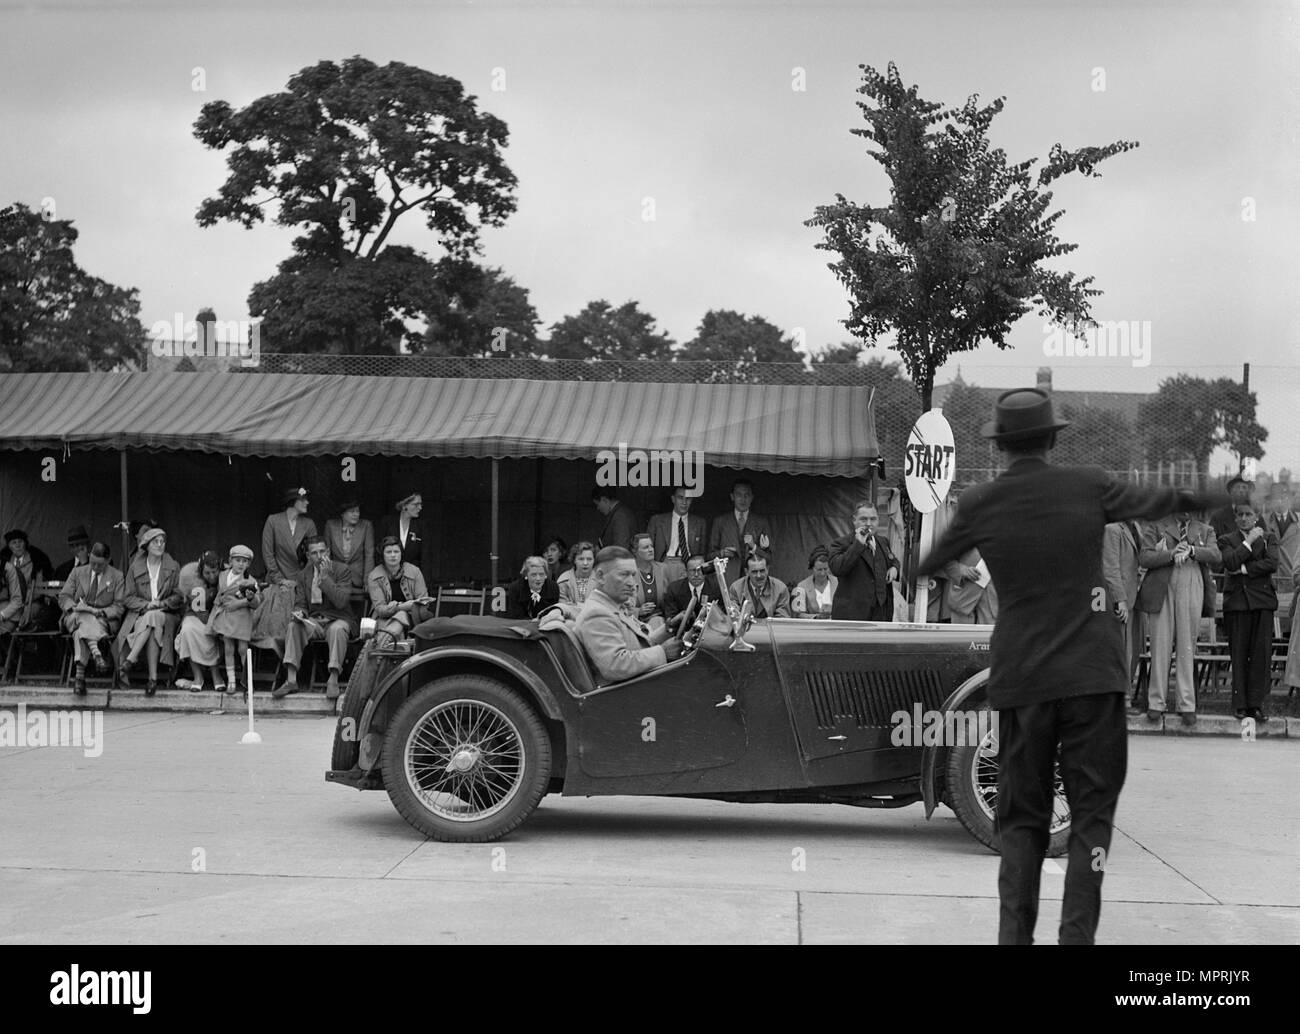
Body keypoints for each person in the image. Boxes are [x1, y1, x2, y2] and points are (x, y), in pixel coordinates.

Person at [916, 387, 1223, 946]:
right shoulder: (1088, 484)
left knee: (1023, 821)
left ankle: (1016, 940)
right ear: (1053, 438)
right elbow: (1157, 500)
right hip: (1092, 676)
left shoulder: (981, 502)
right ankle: (1075, 938)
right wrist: (1211, 493)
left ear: (1002, 443)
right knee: (1091, 819)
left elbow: (932, 562)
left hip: (1023, 679)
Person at [1137, 509, 1220, 725]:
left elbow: (1216, 555)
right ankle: (1156, 702)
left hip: (1192, 580)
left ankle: (1187, 704)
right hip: (1163, 583)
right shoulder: (1156, 526)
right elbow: (1144, 556)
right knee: (1160, 644)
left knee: (1187, 645)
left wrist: (1192, 550)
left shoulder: (1205, 529)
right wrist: (1171, 553)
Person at [575, 545, 683, 682]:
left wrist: (669, 628)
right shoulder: (597, 614)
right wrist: (663, 652)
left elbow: (638, 645)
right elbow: (615, 666)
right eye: (624, 574)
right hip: (621, 695)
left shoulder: (611, 607)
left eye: (633, 575)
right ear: (600, 576)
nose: (632, 584)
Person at [272, 535, 357, 701]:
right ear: (308, 556)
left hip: (339, 618)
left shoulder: (342, 570)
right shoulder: (304, 575)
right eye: (314, 553)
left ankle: (333, 678)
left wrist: (325, 579)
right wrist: (300, 613)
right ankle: (291, 680)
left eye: (322, 551)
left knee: (337, 630)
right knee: (293, 626)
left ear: (328, 551)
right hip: (316, 620)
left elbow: (341, 602)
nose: (319, 556)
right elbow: (301, 603)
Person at [1218, 503, 1279, 720]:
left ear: (1256, 516)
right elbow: (1230, 560)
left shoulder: (1270, 538)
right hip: (1237, 603)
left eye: (1248, 514)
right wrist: (1249, 540)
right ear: (1235, 519)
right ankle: (1240, 705)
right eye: (1240, 515)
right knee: (1240, 654)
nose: (1244, 518)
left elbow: (1272, 563)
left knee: (1260, 656)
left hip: (1262, 602)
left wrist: (1244, 570)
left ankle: (1256, 704)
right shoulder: (1226, 539)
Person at [116, 527, 184, 696]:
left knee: (153, 617)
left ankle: (131, 658)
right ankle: (152, 679)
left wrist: (161, 603)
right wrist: (146, 605)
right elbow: (128, 598)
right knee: (152, 624)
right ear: (146, 545)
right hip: (142, 615)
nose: (160, 545)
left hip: (167, 615)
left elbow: (178, 596)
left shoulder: (173, 566)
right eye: (156, 542)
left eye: (162, 541)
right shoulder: (135, 568)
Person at [58, 542, 125, 695]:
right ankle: (97, 653)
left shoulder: (117, 576)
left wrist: (98, 612)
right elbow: (64, 596)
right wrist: (74, 607)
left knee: (80, 631)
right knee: (82, 617)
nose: (94, 567)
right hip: (74, 615)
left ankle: (80, 677)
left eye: (99, 565)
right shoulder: (77, 572)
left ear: (108, 560)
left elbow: (119, 607)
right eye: (92, 562)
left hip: (101, 619)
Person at [828, 502, 899, 621]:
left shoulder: (883, 542)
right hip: (852, 616)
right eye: (863, 519)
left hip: (881, 614)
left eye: (873, 519)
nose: (869, 524)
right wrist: (858, 545)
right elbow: (837, 569)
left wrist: (895, 568)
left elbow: (893, 560)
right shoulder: (840, 543)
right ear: (854, 520)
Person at [208, 544, 261, 694]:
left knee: (243, 649)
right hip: (226, 616)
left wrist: (248, 599)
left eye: (244, 561)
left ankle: (247, 682)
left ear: (249, 564)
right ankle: (231, 681)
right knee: (229, 648)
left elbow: (257, 603)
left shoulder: (250, 581)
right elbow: (220, 593)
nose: (241, 564)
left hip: (242, 617)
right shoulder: (223, 575)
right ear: (230, 561)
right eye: (237, 560)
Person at [1101, 519, 1145, 696]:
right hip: (1118, 600)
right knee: (1118, 651)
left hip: (1133, 597)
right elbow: (1110, 568)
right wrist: (1120, 600)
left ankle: (1124, 696)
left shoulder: (1136, 528)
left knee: (1130, 650)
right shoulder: (1112, 529)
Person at [707, 478, 773, 591]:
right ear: (732, 497)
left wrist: (755, 547)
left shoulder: (761, 522)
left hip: (754, 581)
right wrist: (723, 553)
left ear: (752, 497)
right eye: (739, 495)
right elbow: (709, 556)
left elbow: (769, 557)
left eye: (747, 495)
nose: (743, 499)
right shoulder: (720, 522)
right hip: (728, 580)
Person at [174, 551, 225, 692]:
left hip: (219, 617)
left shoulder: (227, 578)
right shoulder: (194, 581)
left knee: (212, 631)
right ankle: (198, 676)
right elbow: (201, 613)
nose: (212, 576)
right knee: (188, 630)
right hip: (196, 616)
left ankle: (216, 674)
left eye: (214, 572)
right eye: (207, 573)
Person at [367, 536, 430, 647]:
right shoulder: (374, 575)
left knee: (400, 617)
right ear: (382, 555)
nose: (393, 555)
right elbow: (380, 609)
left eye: (396, 551)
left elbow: (424, 602)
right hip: (383, 618)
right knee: (396, 624)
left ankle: (380, 654)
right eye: (388, 552)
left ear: (401, 554)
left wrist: (403, 609)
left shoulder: (414, 571)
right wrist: (401, 607)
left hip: (412, 618)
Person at [647, 487, 707, 585]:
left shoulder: (699, 523)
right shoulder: (657, 521)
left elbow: (702, 551)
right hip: (664, 563)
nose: (684, 502)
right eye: (680, 498)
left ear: (691, 501)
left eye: (688, 499)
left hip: (689, 564)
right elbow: (648, 547)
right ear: (673, 499)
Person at [261, 487, 317, 585]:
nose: (307, 502)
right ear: (292, 501)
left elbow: (314, 555)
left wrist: (302, 579)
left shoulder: (309, 524)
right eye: (303, 499)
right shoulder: (273, 521)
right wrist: (280, 580)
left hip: (301, 581)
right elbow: (268, 554)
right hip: (276, 581)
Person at [323, 498, 374, 593]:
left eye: (357, 511)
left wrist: (368, 581)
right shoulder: (330, 525)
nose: (356, 514)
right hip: (336, 577)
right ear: (342, 513)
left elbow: (369, 555)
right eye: (352, 511)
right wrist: (328, 579)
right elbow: (326, 554)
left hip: (358, 579)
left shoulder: (366, 526)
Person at [663, 554, 724, 632]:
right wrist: (678, 617)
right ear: (686, 572)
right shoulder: (674, 588)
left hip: (709, 632)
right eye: (692, 570)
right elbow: (670, 619)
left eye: (699, 570)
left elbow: (722, 615)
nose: (696, 574)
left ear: (705, 571)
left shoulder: (716, 587)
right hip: (681, 632)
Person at [728, 553, 792, 619]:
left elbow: (782, 620)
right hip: (745, 628)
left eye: (762, 571)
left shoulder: (781, 589)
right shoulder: (736, 588)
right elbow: (734, 617)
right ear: (746, 572)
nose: (759, 575)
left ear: (767, 569)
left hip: (771, 628)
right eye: (754, 572)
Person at [378, 492, 426, 572]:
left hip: (412, 576)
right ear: (404, 506)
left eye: (421, 504)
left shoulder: (421, 526)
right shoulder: (387, 522)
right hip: (389, 575)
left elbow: (425, 557)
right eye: (416, 504)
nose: (420, 507)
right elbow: (379, 551)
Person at [504, 556, 560, 620]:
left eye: (541, 574)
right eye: (534, 575)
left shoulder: (553, 588)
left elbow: (552, 615)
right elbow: (515, 616)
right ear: (526, 575)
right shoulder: (515, 588)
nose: (538, 579)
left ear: (546, 575)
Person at [1264, 485, 1299, 586]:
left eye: (1284, 497)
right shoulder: (1263, 521)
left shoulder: (1299, 520)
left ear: (1290, 499)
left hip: (1294, 581)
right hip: (1269, 582)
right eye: (1276, 498)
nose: (1280, 501)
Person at [630, 532, 670, 622]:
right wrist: (638, 611)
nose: (651, 550)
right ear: (635, 551)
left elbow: (670, 599)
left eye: (651, 546)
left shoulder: (663, 568)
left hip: (661, 619)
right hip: (635, 621)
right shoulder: (628, 572)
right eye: (645, 547)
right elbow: (619, 605)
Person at [792, 545, 838, 619]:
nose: (823, 573)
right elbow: (798, 615)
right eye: (819, 570)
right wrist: (816, 617)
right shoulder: (801, 586)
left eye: (825, 569)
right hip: (812, 628)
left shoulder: (837, 583)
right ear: (812, 568)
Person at [557, 542, 597, 607]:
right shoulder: (564, 580)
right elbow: (563, 607)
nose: (585, 563)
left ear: (594, 560)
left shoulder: (601, 580)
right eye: (581, 559)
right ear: (574, 560)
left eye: (589, 559)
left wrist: (575, 606)